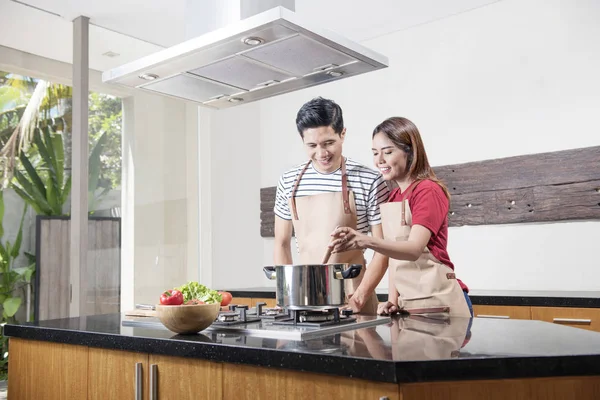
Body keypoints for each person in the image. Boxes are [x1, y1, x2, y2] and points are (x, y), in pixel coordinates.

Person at [328, 117, 473, 317]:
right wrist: (392, 300)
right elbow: (394, 257)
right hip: (409, 306)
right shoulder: (393, 196)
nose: (379, 160)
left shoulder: (428, 190)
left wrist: (365, 240)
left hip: (440, 303)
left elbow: (413, 249)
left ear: (409, 151)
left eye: (387, 152)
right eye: (375, 153)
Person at [273, 97, 390, 315]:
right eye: (312, 145)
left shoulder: (370, 180)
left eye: (328, 143)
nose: (321, 153)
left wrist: (359, 298)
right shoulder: (288, 181)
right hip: (305, 297)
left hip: (354, 297)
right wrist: (287, 295)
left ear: (342, 134)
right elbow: (281, 244)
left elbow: (383, 249)